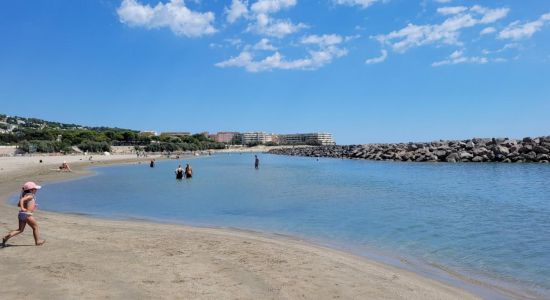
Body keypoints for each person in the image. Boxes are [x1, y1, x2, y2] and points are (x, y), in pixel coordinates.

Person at [2, 182, 46, 247]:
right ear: (31, 190)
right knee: (35, 227)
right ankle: (38, 241)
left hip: (21, 214)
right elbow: (22, 200)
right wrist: (23, 207)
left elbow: (19, 203)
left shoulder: (24, 194)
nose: (36, 190)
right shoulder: (30, 196)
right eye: (35, 189)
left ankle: (7, 237)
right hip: (27, 215)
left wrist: (31, 205)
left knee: (20, 229)